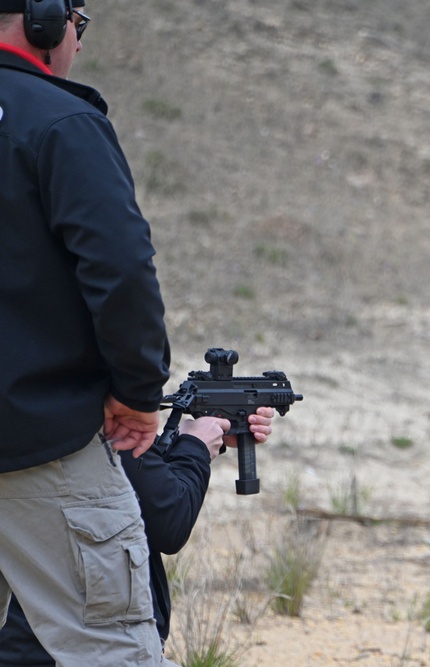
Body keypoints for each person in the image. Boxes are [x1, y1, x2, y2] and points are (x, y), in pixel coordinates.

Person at [1, 1, 172, 663]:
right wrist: (137, 388)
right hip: (42, 442)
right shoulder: (61, 121)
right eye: (79, 21)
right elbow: (121, 268)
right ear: (47, 22)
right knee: (112, 647)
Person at [0, 408, 276, 666]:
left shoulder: (39, 417)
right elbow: (170, 522)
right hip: (80, 650)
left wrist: (189, 440)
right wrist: (195, 448)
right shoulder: (100, 426)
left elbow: (142, 491)